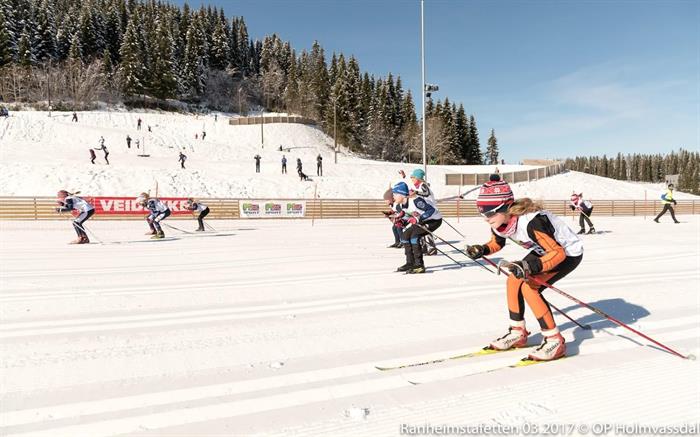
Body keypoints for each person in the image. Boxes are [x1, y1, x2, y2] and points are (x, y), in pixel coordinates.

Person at [465, 179, 583, 361]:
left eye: (489, 212)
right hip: (543, 251)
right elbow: (497, 243)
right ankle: (518, 332)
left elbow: (557, 253)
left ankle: (554, 340)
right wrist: (482, 249)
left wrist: (529, 267)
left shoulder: (532, 222)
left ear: (505, 207)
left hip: (568, 253)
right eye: (481, 213)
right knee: (513, 279)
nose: (486, 218)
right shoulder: (500, 222)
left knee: (530, 287)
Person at [392, 181, 442, 274]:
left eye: (395, 194)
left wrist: (418, 218)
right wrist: (402, 222)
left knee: (414, 237)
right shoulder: (402, 204)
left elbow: (431, 210)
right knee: (405, 237)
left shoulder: (415, 200)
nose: (393, 196)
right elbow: (409, 216)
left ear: (402, 194)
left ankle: (419, 265)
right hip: (422, 221)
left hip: (434, 220)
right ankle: (410, 263)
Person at [409, 168, 438, 256]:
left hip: (430, 210)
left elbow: (426, 193)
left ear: (418, 178)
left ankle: (432, 248)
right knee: (420, 228)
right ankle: (424, 247)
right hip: (424, 209)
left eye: (413, 177)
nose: (412, 179)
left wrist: (416, 193)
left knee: (425, 228)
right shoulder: (417, 186)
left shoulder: (423, 185)